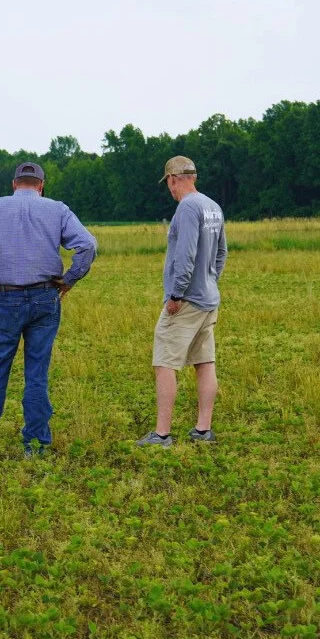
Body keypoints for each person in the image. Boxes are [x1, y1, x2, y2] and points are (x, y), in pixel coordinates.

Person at [0, 161, 97, 459]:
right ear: (41, 185)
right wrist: (70, 279)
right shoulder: (57, 208)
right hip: (46, 298)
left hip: (5, 298)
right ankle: (35, 446)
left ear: (14, 184)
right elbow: (87, 244)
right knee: (37, 374)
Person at [137, 156, 227, 447]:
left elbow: (185, 256)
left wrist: (176, 295)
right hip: (209, 299)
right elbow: (221, 253)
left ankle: (162, 434)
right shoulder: (212, 206)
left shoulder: (187, 208)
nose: (169, 190)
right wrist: (210, 280)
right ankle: (203, 430)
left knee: (164, 362)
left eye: (169, 184)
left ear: (175, 179)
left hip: (187, 300)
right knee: (204, 362)